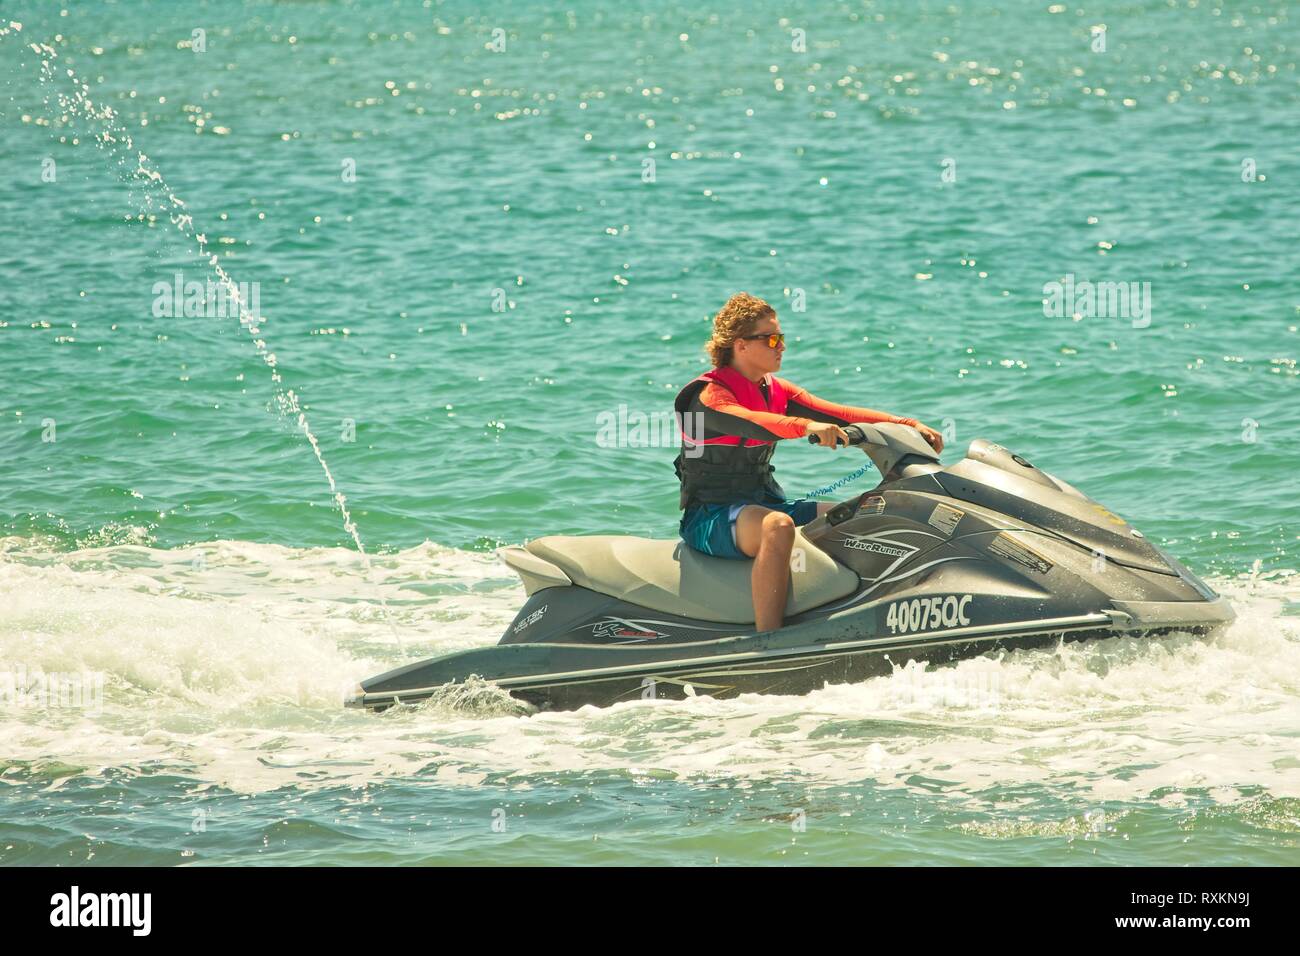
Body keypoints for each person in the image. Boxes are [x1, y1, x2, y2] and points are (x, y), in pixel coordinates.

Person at [673, 292, 944, 632]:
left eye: (781, 337)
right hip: (710, 516)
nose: (781, 346)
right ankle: (769, 640)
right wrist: (805, 426)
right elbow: (750, 421)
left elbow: (840, 413)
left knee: (867, 513)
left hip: (766, 503)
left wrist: (907, 425)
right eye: (771, 338)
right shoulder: (709, 397)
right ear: (740, 345)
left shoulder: (775, 390)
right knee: (778, 526)